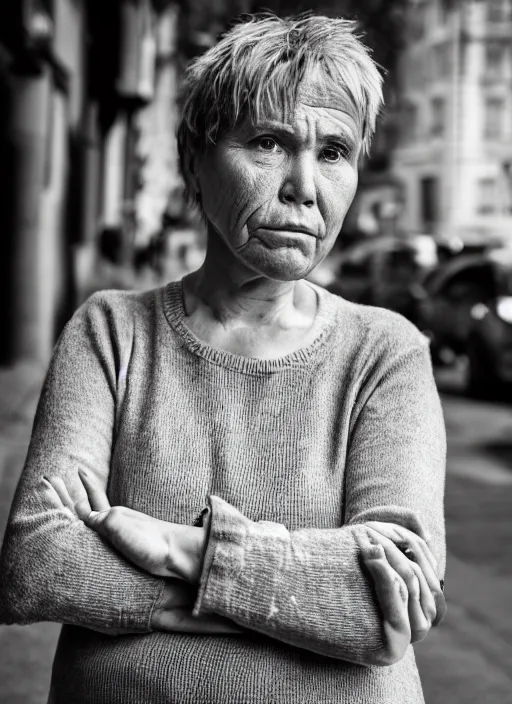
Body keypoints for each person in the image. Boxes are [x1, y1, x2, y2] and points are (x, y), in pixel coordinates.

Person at [0, 13, 447, 704]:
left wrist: (182, 550)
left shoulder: (386, 353)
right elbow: (35, 565)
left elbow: (384, 603)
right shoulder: (113, 332)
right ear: (195, 162)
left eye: (334, 151)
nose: (304, 185)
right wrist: (284, 595)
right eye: (268, 142)